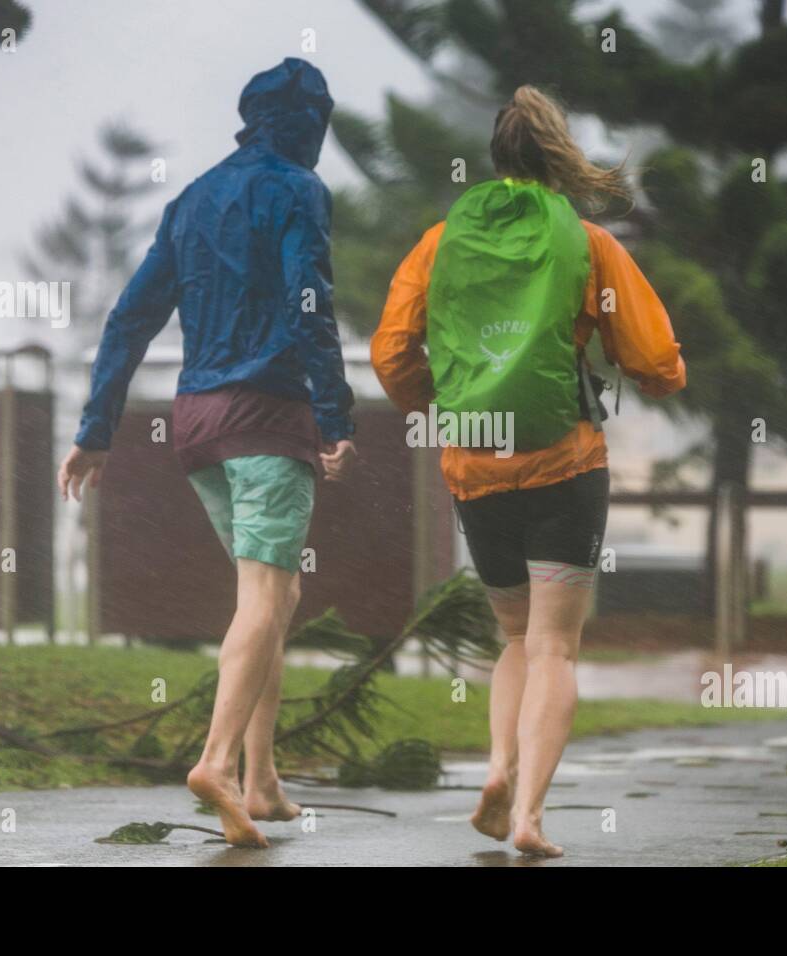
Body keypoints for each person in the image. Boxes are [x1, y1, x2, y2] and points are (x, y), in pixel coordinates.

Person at [371, 85, 686, 857]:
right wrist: (664, 378)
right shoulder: (587, 242)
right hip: (564, 461)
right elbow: (650, 356)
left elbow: (390, 351)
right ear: (556, 157)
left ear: (494, 156)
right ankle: (528, 816)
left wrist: (434, 401)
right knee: (555, 646)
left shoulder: (439, 241)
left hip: (475, 464)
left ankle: (498, 766)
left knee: (512, 636)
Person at [57, 57, 356, 848]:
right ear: (308, 125)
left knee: (272, 600)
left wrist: (96, 429)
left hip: (197, 425)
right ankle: (216, 764)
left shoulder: (193, 199)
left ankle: (261, 779)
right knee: (264, 598)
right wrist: (335, 414)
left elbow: (130, 317)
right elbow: (308, 303)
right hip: (267, 417)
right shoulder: (298, 190)